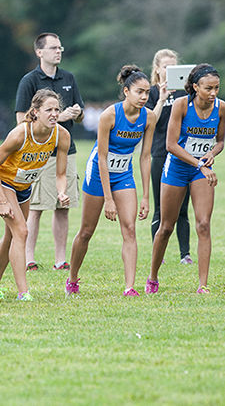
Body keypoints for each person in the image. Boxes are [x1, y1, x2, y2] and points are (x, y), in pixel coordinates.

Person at [66, 65, 156, 296]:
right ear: (126, 91)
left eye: (147, 92)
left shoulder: (149, 117)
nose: (144, 97)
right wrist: (108, 199)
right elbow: (103, 159)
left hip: (124, 173)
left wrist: (146, 196)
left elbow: (145, 157)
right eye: (139, 92)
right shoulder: (109, 115)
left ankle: (129, 287)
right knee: (86, 231)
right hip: (98, 172)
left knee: (130, 229)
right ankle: (72, 279)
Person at [0, 89, 70, 301]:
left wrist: (61, 192)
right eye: (48, 109)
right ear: (36, 111)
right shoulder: (20, 133)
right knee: (22, 231)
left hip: (23, 186)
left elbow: (60, 173)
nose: (54, 114)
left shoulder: (62, 135)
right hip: (3, 182)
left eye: (57, 110)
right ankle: (24, 292)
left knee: (11, 235)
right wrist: (2, 201)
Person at [147, 64, 223, 294]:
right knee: (166, 226)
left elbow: (220, 140)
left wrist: (212, 153)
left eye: (217, 88)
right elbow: (170, 145)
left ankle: (203, 285)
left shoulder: (221, 108)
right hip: (177, 168)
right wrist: (199, 162)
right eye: (208, 88)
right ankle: (152, 277)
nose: (213, 93)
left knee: (203, 224)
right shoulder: (181, 105)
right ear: (195, 87)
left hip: (201, 170)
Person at [14, 32, 84, 271]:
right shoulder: (29, 81)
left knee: (62, 206)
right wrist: (59, 117)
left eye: (60, 48)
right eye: (54, 48)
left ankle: (60, 259)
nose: (59, 52)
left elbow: (82, 112)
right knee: (35, 207)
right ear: (39, 52)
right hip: (39, 152)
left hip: (67, 149)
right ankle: (28, 257)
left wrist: (76, 113)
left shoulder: (69, 78)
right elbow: (21, 119)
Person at [147, 49, 192, 264]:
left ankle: (186, 254)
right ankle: (160, 255)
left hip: (183, 155)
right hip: (160, 153)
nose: (169, 71)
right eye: (166, 67)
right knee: (160, 207)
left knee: (182, 208)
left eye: (174, 67)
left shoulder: (186, 94)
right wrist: (162, 98)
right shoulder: (152, 93)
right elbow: (149, 122)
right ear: (157, 69)